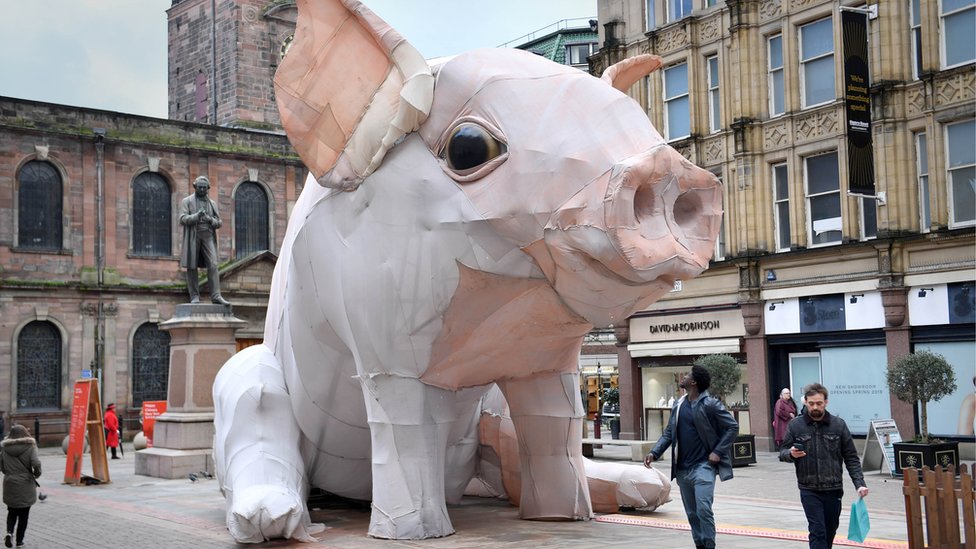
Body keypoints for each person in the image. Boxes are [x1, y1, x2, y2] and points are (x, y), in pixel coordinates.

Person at [644, 365, 739, 549]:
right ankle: (700, 544)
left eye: (687, 375)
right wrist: (655, 452)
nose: (684, 377)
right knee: (692, 513)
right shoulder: (678, 404)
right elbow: (670, 432)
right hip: (682, 469)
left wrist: (718, 451)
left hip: (703, 467)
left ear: (693, 382)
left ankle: (709, 545)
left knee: (703, 509)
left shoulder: (710, 404)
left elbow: (732, 427)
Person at [780, 383, 869, 549]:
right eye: (811, 403)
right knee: (817, 530)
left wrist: (860, 484)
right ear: (805, 402)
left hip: (833, 488)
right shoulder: (796, 425)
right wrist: (790, 454)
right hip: (809, 489)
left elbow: (851, 457)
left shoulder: (838, 425)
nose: (815, 407)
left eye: (819, 403)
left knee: (829, 531)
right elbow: (783, 452)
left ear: (826, 402)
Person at [179, 175, 230, 305]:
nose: (202, 190)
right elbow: (182, 219)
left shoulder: (212, 204)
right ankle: (194, 296)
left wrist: (209, 219)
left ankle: (216, 296)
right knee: (192, 266)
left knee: (213, 265)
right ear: (195, 187)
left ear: (208, 188)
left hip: (208, 236)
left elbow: (219, 222)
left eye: (204, 188)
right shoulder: (187, 201)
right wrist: (197, 216)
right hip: (193, 236)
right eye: (199, 187)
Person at [0, 425, 41, 548]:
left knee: (11, 511)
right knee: (24, 514)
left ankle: (9, 533)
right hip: (25, 483)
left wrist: (8, 473)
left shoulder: (4, 447)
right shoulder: (30, 446)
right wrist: (37, 474)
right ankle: (19, 541)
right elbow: (36, 463)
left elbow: (1, 465)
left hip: (9, 483)